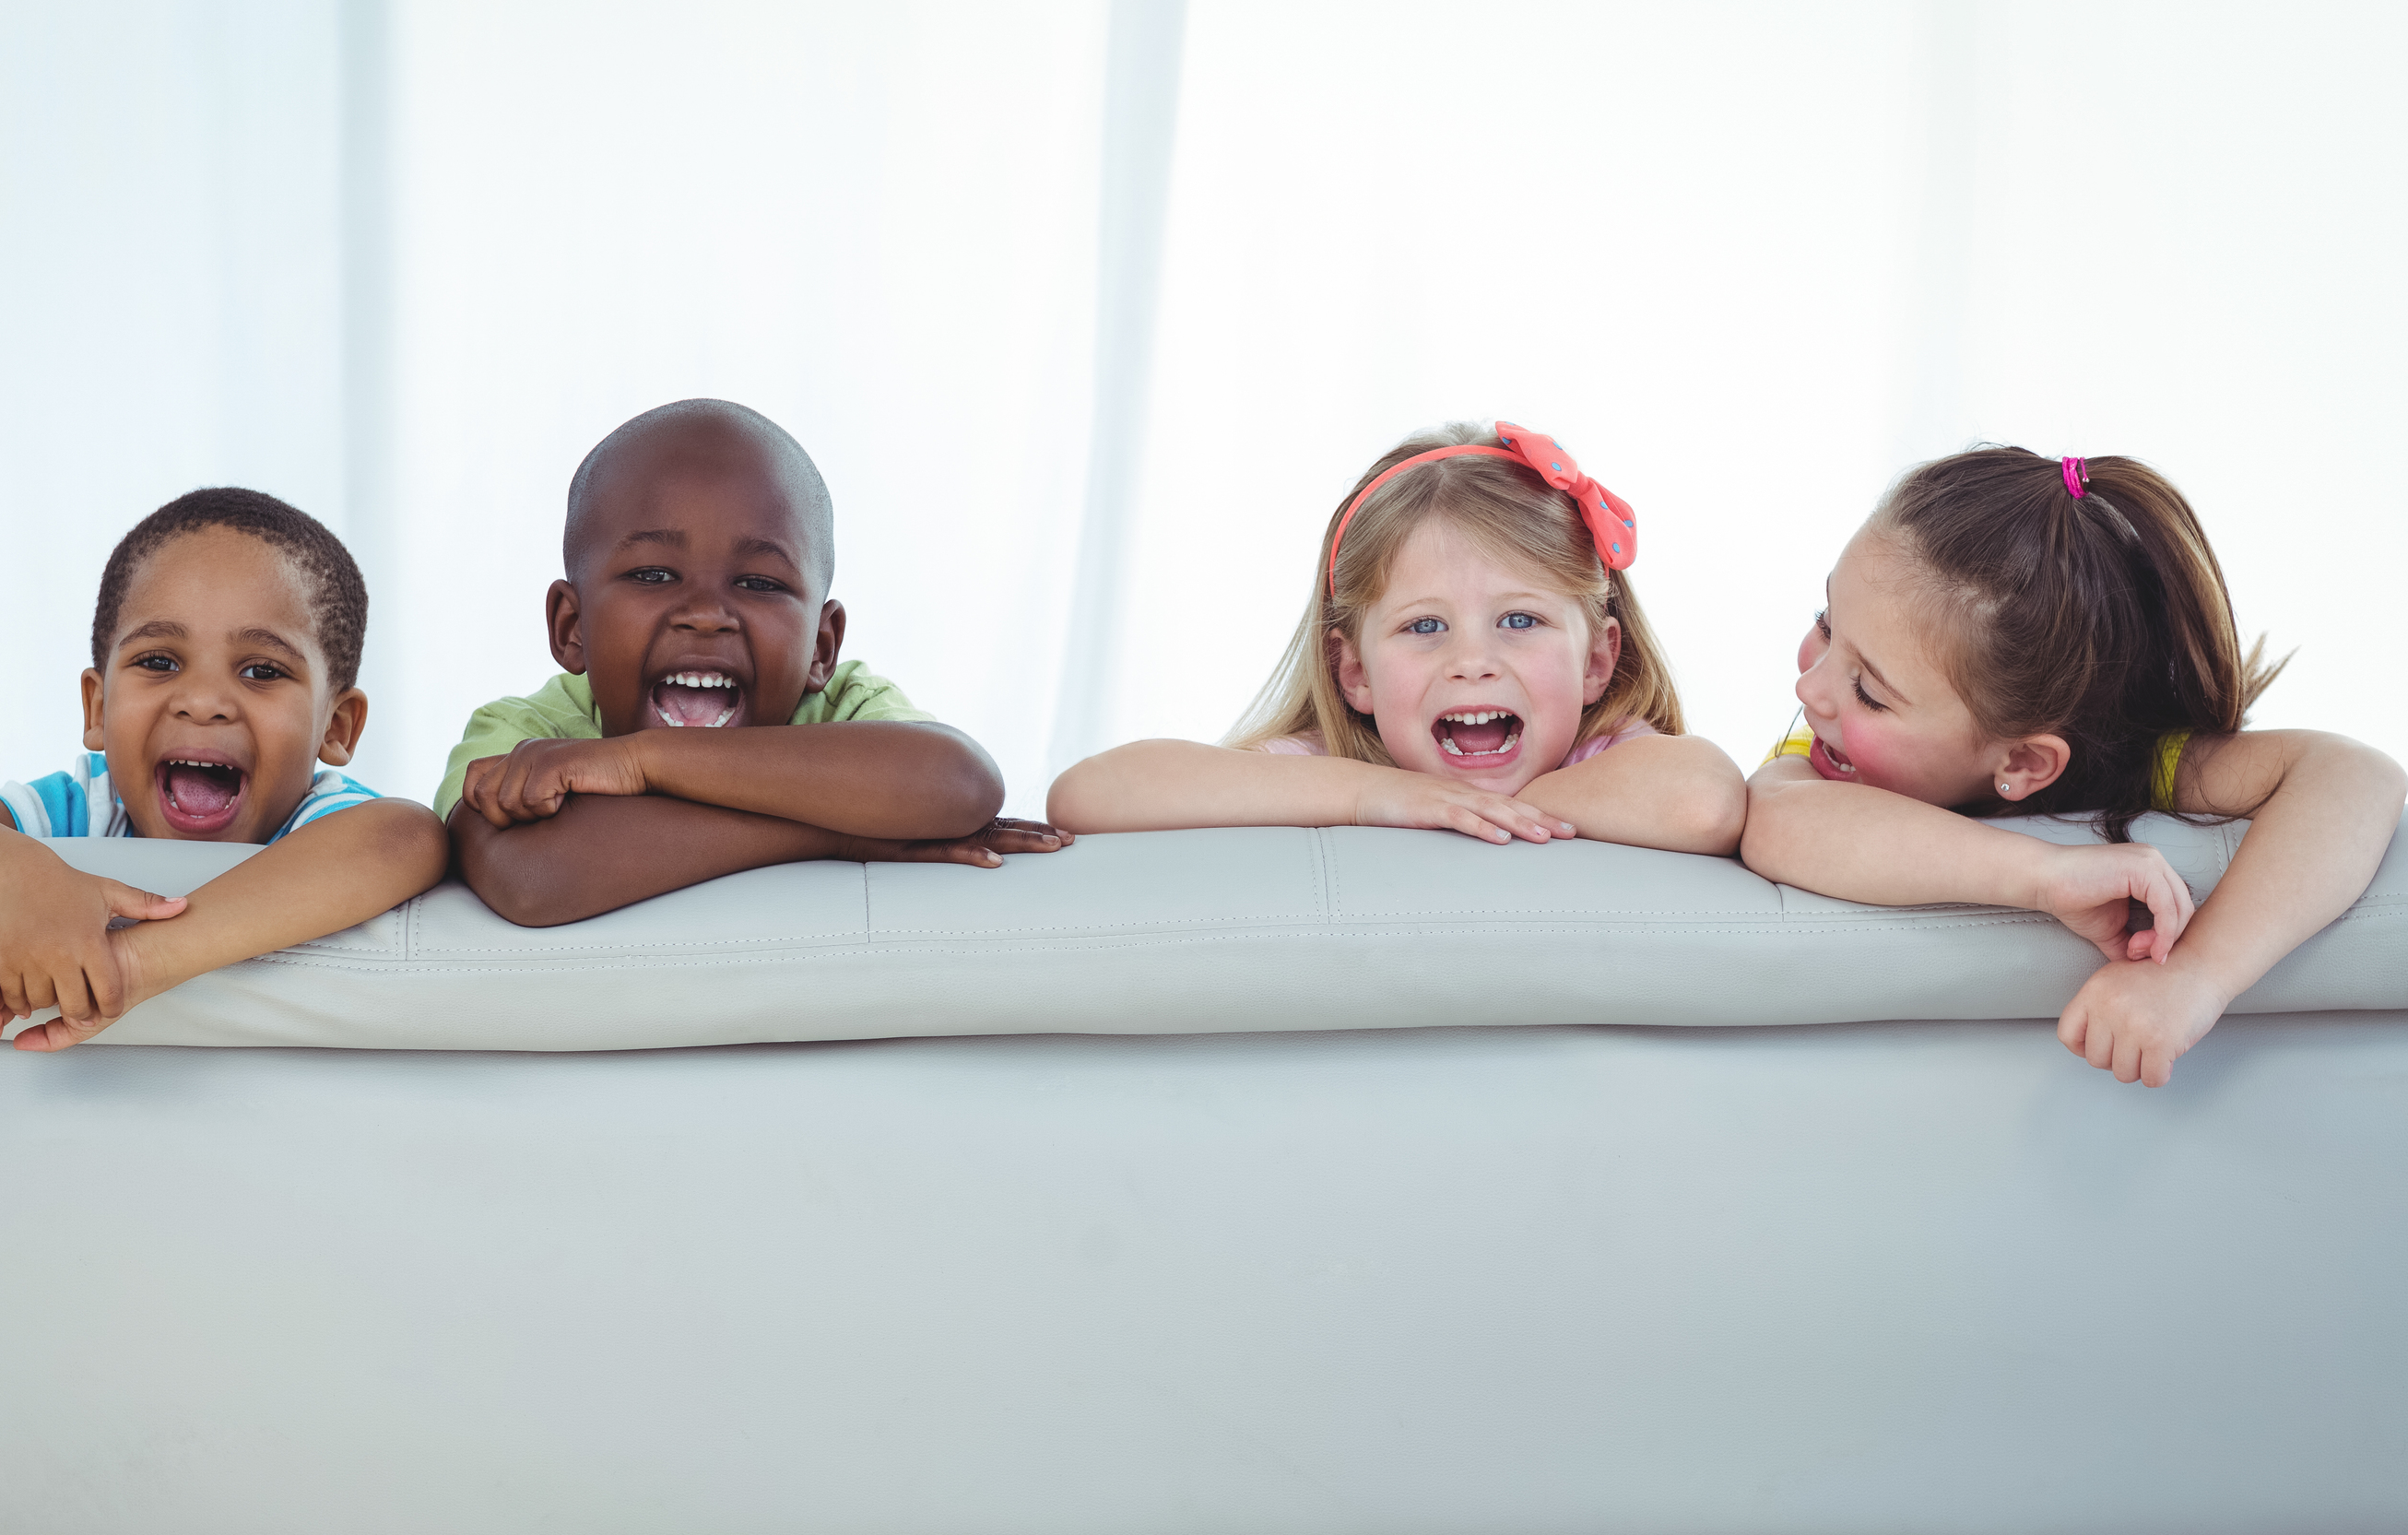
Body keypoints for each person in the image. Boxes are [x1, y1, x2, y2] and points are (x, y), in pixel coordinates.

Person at [1741, 445, 2405, 1088]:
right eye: (1827, 623)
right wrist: (2047, 874)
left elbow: (2357, 775)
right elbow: (1772, 819)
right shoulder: (1821, 764)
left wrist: (2197, 976)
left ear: (2026, 761)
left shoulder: (2140, 763)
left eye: (1869, 692)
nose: (1809, 691)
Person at [0, 488, 448, 1049]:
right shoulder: (83, 810)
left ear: (336, 728)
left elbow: (407, 836)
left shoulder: (320, 820)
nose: (203, 701)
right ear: (98, 708)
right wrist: (16, 873)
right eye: (159, 661)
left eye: (262, 670)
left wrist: (135, 963)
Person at [441, 398, 1068, 925]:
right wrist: (843, 836)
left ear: (822, 648)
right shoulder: (525, 738)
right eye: (654, 574)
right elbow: (534, 879)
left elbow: (962, 785)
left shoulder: (841, 706)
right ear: (571, 627)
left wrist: (639, 762)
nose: (706, 613)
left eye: (760, 583)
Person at [1045, 421, 1746, 852]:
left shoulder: (1602, 759)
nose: (1473, 662)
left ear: (1597, 660)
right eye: (1426, 626)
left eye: (1519, 620)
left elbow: (1703, 800)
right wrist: (1373, 798)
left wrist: (1480, 812)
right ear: (1354, 674)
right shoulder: (1344, 771)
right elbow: (1092, 794)